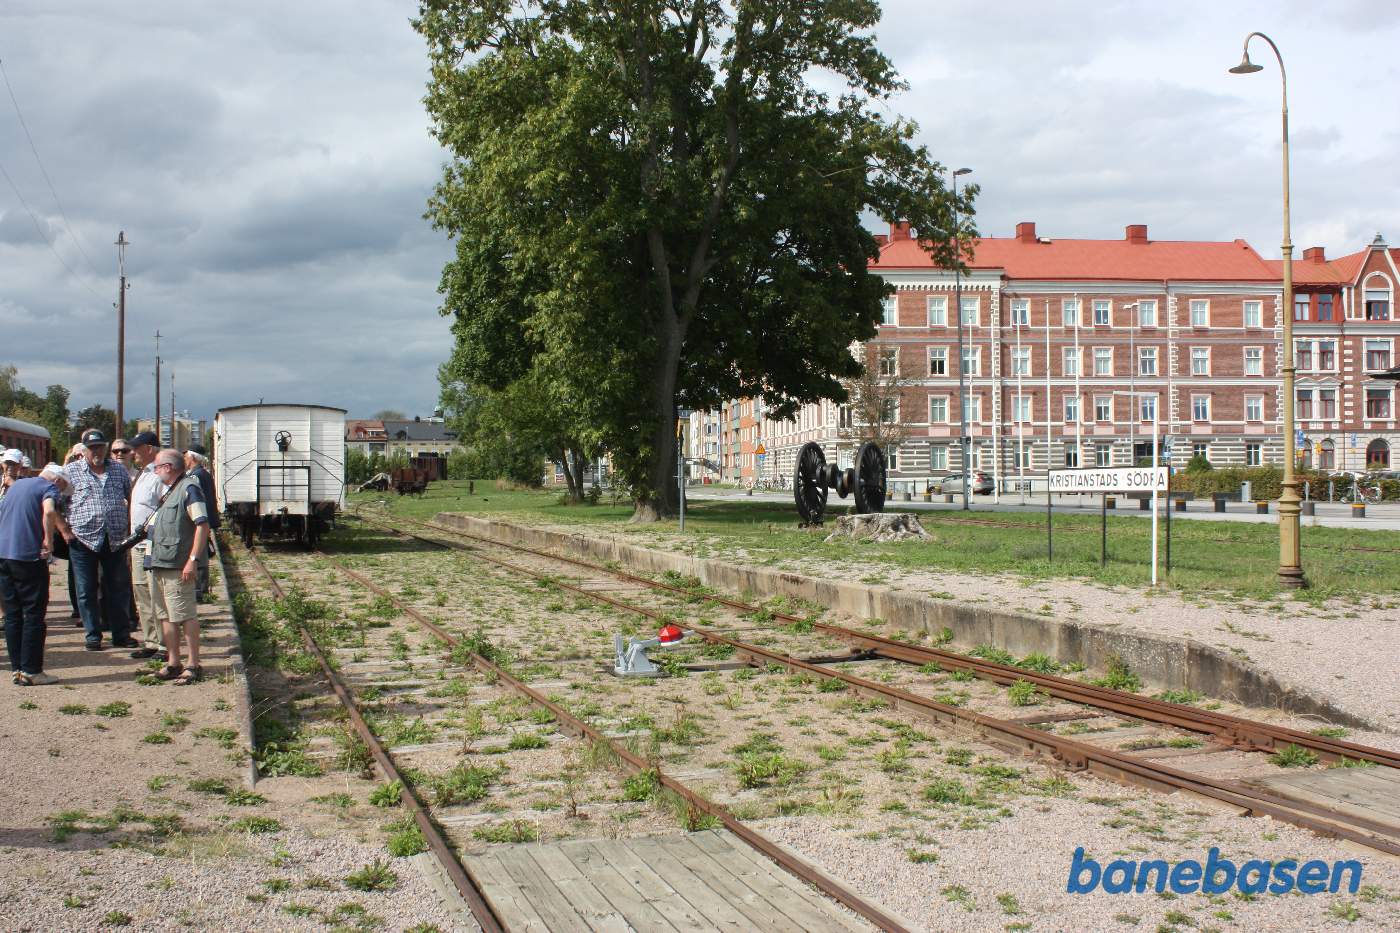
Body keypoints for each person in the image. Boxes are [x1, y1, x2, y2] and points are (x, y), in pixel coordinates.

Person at [57, 430, 135, 651]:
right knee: (86, 589)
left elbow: (130, 497)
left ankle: (121, 634)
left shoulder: (118, 470)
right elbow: (54, 503)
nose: (96, 452)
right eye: (92, 448)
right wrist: (64, 530)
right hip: (82, 540)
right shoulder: (71, 471)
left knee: (118, 587)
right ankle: (93, 635)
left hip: (115, 538)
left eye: (100, 447)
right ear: (84, 450)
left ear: (106, 447)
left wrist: (130, 527)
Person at [0, 463, 68, 685]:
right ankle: (31, 671)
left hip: (4, 555)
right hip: (28, 557)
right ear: (57, 480)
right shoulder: (48, 488)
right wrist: (49, 540)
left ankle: (17, 668)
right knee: (34, 614)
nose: (61, 493)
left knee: (13, 615)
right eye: (63, 488)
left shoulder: (16, 486)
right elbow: (49, 510)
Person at [146, 449, 210, 684]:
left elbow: (202, 525)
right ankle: (173, 662)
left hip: (177, 565)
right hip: (160, 563)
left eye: (157, 467)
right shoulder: (171, 491)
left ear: (168, 467)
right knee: (165, 615)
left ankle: (193, 664)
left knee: (184, 615)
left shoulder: (189, 489)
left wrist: (192, 560)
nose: (155, 472)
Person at [126, 432, 165, 659]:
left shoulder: (159, 475)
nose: (133, 453)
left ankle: (164, 643)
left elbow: (163, 508)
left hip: (152, 543)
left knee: (155, 594)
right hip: (137, 544)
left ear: (149, 449)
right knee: (141, 592)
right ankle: (151, 640)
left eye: (137, 448)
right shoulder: (143, 473)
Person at [184, 447, 219, 601]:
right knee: (202, 553)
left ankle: (199, 590)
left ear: (193, 458)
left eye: (186, 456)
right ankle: (202, 590)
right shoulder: (204, 473)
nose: (184, 459)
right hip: (206, 519)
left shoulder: (195, 476)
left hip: (199, 521)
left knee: (199, 554)